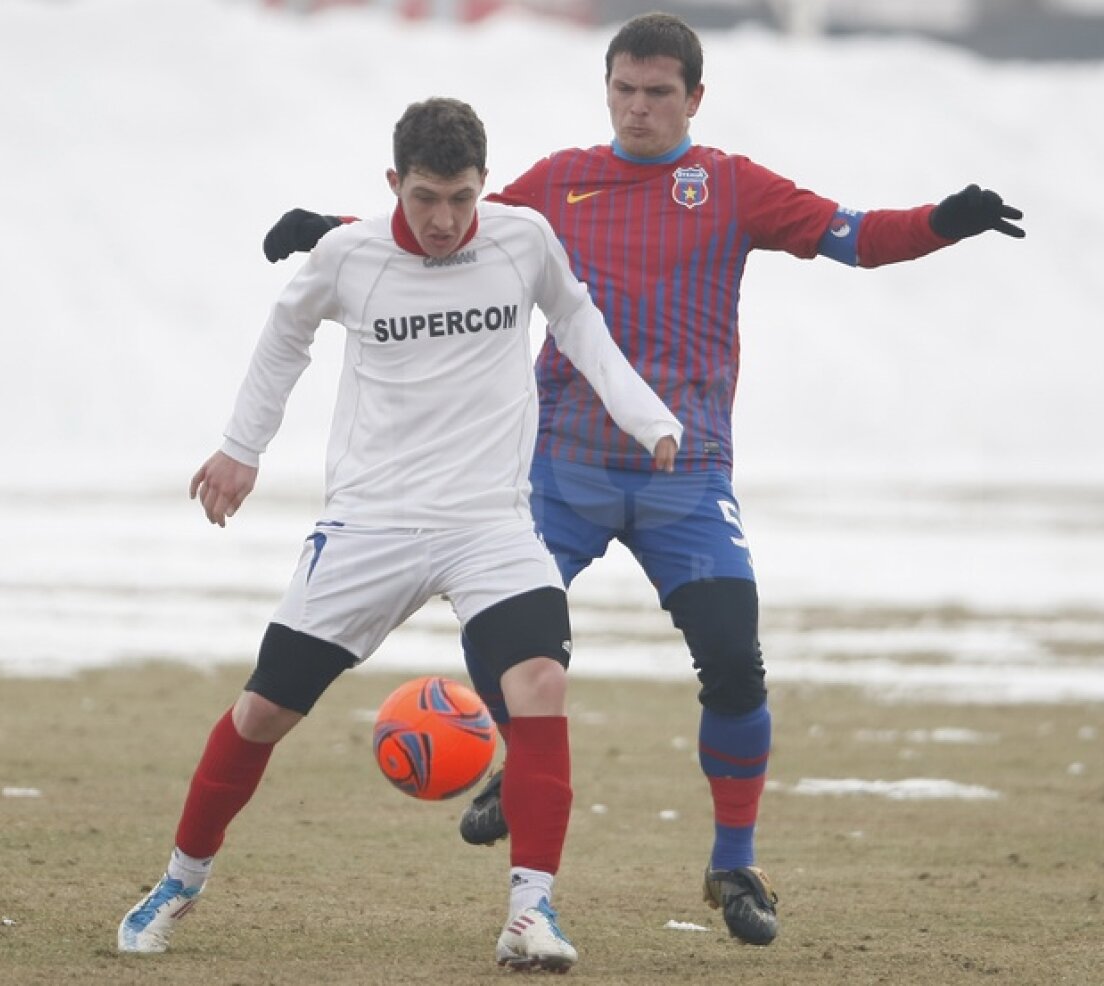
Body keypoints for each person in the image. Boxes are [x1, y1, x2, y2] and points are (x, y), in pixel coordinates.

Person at [260, 11, 1025, 950]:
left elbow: (854, 236)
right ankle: (518, 762)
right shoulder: (558, 183)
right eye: (624, 89)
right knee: (501, 628)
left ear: (694, 98)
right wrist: (326, 229)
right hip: (559, 464)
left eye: (658, 92)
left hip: (686, 476)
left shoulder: (735, 187)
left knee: (736, 663)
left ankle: (733, 862)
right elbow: (438, 230)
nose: (638, 108)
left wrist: (943, 224)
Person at [116, 97, 681, 973]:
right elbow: (284, 338)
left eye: (460, 197)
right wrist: (240, 449)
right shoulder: (350, 257)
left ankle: (531, 911)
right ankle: (178, 882)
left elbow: (577, 321)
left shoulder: (522, 239)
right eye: (424, 198)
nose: (445, 220)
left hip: (490, 521)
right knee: (264, 709)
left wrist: (647, 418)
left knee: (538, 682)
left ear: (483, 186)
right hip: (370, 523)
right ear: (393, 186)